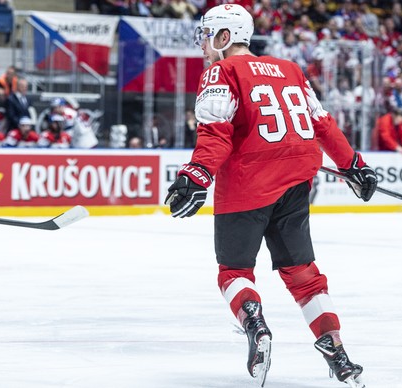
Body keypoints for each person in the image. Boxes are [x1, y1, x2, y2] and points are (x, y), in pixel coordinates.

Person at [165, 5, 376, 388]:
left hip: (247, 185)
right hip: (295, 186)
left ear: (225, 37)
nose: (203, 45)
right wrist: (353, 164)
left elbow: (215, 133)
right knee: (305, 278)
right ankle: (337, 353)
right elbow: (322, 124)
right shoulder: (290, 70)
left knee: (234, 272)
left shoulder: (222, 71)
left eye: (209, 35)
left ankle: (255, 324)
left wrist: (196, 176)